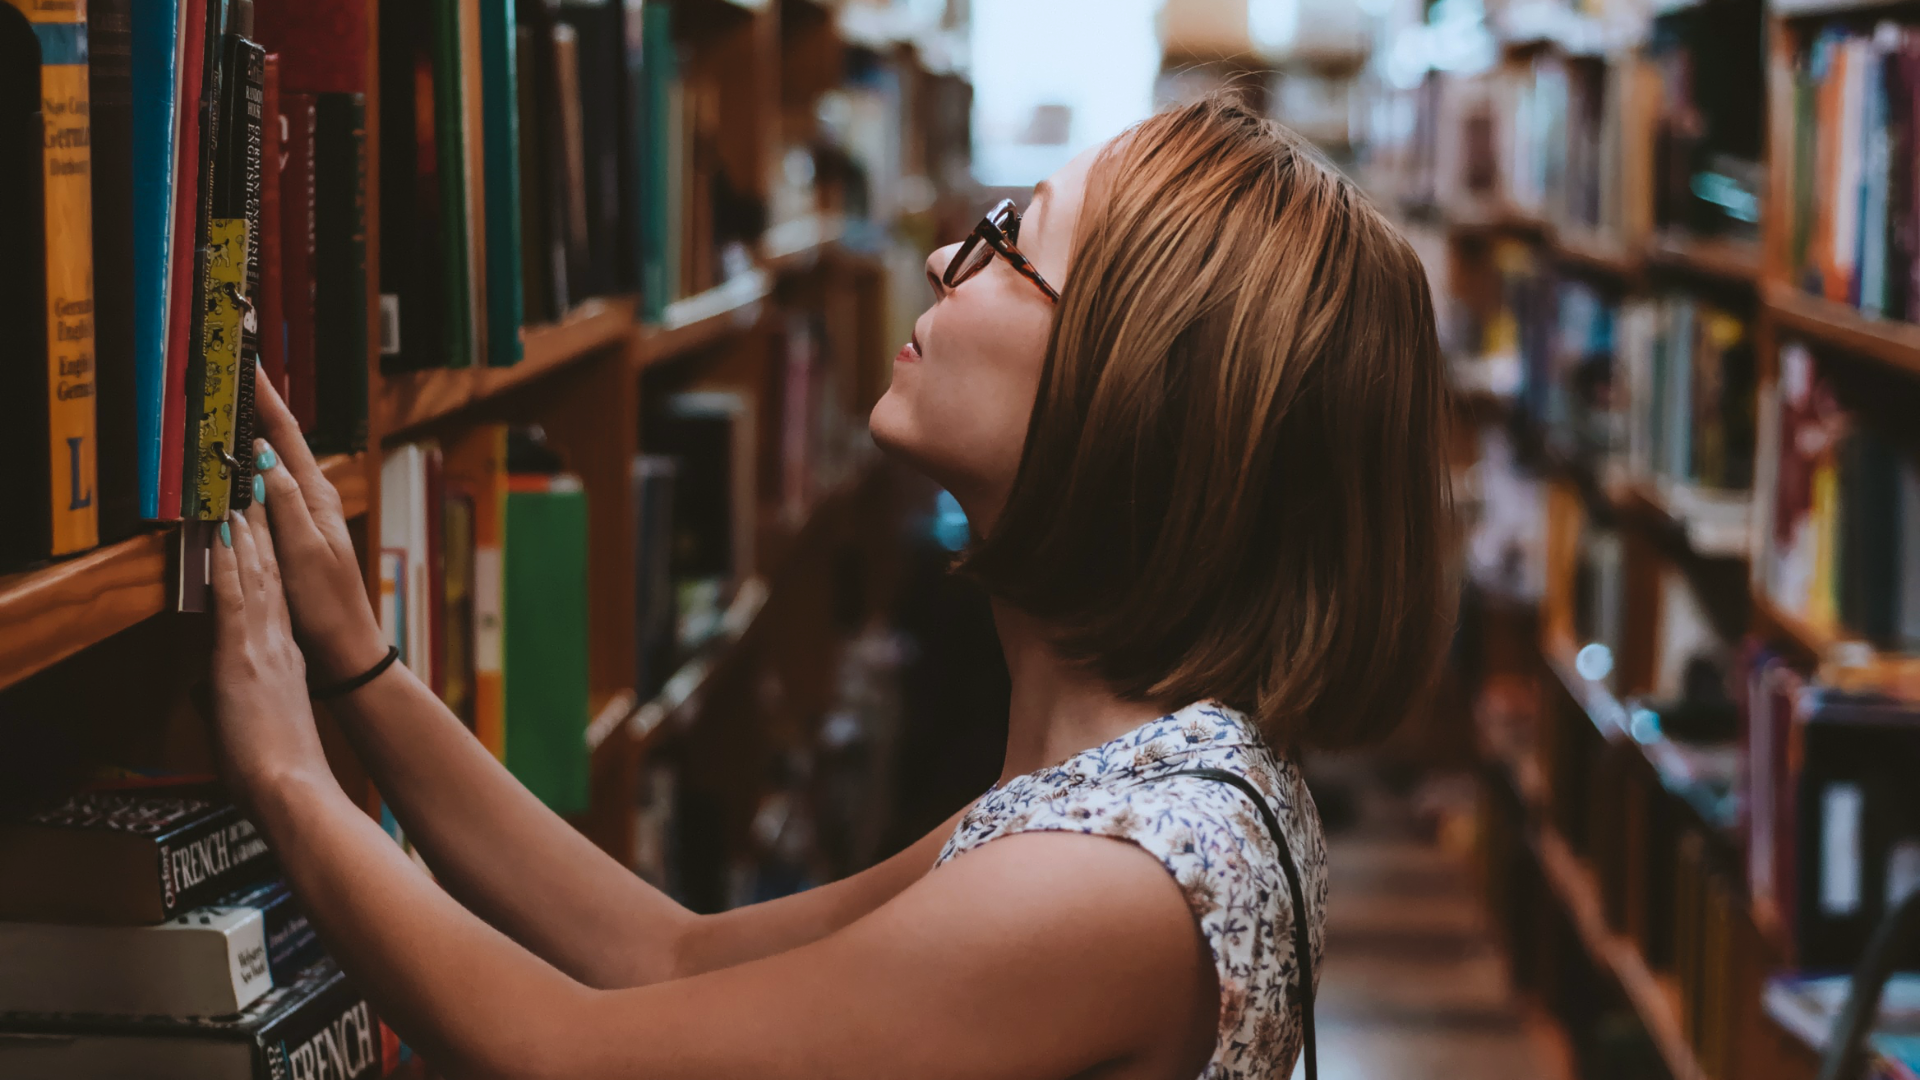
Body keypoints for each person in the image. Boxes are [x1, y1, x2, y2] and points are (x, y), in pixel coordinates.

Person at [209, 95, 1454, 1080]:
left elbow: (552, 1049)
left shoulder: (1107, 882)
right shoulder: (1126, 792)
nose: (942, 254)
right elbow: (661, 955)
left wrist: (283, 773)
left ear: (1131, 392)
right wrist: (362, 673)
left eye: (1008, 239)